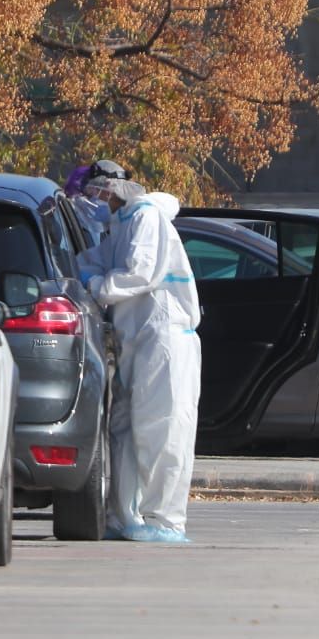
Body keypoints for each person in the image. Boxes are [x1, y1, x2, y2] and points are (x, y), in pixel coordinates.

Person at [77, 175, 201, 543]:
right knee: (127, 430)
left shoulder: (146, 218)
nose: (95, 203)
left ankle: (161, 519)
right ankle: (127, 516)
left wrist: (99, 287)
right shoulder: (121, 225)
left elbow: (141, 272)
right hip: (137, 341)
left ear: (112, 192)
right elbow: (87, 262)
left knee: (163, 428)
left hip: (164, 338)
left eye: (96, 195)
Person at [68, 159, 130, 246]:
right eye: (110, 193)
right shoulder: (66, 214)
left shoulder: (97, 230)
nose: (112, 199)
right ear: (91, 189)